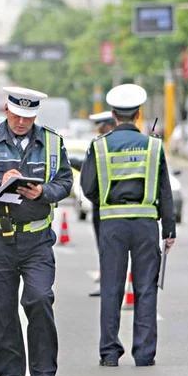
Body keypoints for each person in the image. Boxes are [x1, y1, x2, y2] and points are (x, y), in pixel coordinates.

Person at [0, 86, 73, 376]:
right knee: (1, 310)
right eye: (17, 115)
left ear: (35, 115)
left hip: (37, 239)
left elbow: (65, 181)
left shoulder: (52, 142)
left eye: (28, 117)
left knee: (39, 300)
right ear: (7, 111)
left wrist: (44, 193)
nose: (22, 122)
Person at [79, 84, 176, 368]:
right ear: (138, 113)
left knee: (111, 287)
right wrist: (168, 231)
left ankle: (109, 353)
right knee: (145, 289)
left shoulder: (99, 146)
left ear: (113, 114)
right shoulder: (154, 146)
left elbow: (87, 187)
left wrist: (107, 204)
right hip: (146, 225)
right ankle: (144, 354)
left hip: (112, 225)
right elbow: (165, 192)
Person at [86, 111, 117, 298]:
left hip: (103, 207)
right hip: (113, 206)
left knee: (107, 250)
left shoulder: (101, 145)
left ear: (109, 125)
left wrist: (97, 200)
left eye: (101, 127)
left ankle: (108, 286)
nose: (98, 131)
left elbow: (88, 182)